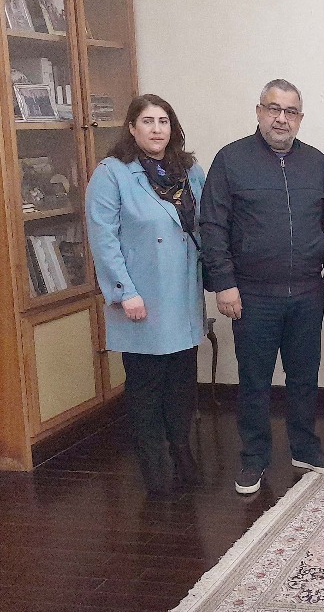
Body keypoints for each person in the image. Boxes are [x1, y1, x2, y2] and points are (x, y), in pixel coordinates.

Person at [200, 79, 324, 495]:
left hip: (307, 291)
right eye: (274, 109)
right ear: (259, 112)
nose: (282, 119)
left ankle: (305, 448)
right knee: (255, 380)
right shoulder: (230, 160)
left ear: (300, 118)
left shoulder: (316, 163)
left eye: (290, 112)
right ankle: (254, 458)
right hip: (253, 294)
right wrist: (224, 284)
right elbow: (212, 226)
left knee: (304, 376)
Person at [86, 94, 205, 500]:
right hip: (142, 299)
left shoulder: (188, 171)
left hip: (183, 295)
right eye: (148, 121)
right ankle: (155, 467)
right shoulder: (112, 174)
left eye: (163, 121)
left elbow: (206, 223)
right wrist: (125, 293)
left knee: (181, 385)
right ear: (132, 128)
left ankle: (181, 452)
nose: (157, 129)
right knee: (146, 389)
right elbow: (103, 239)